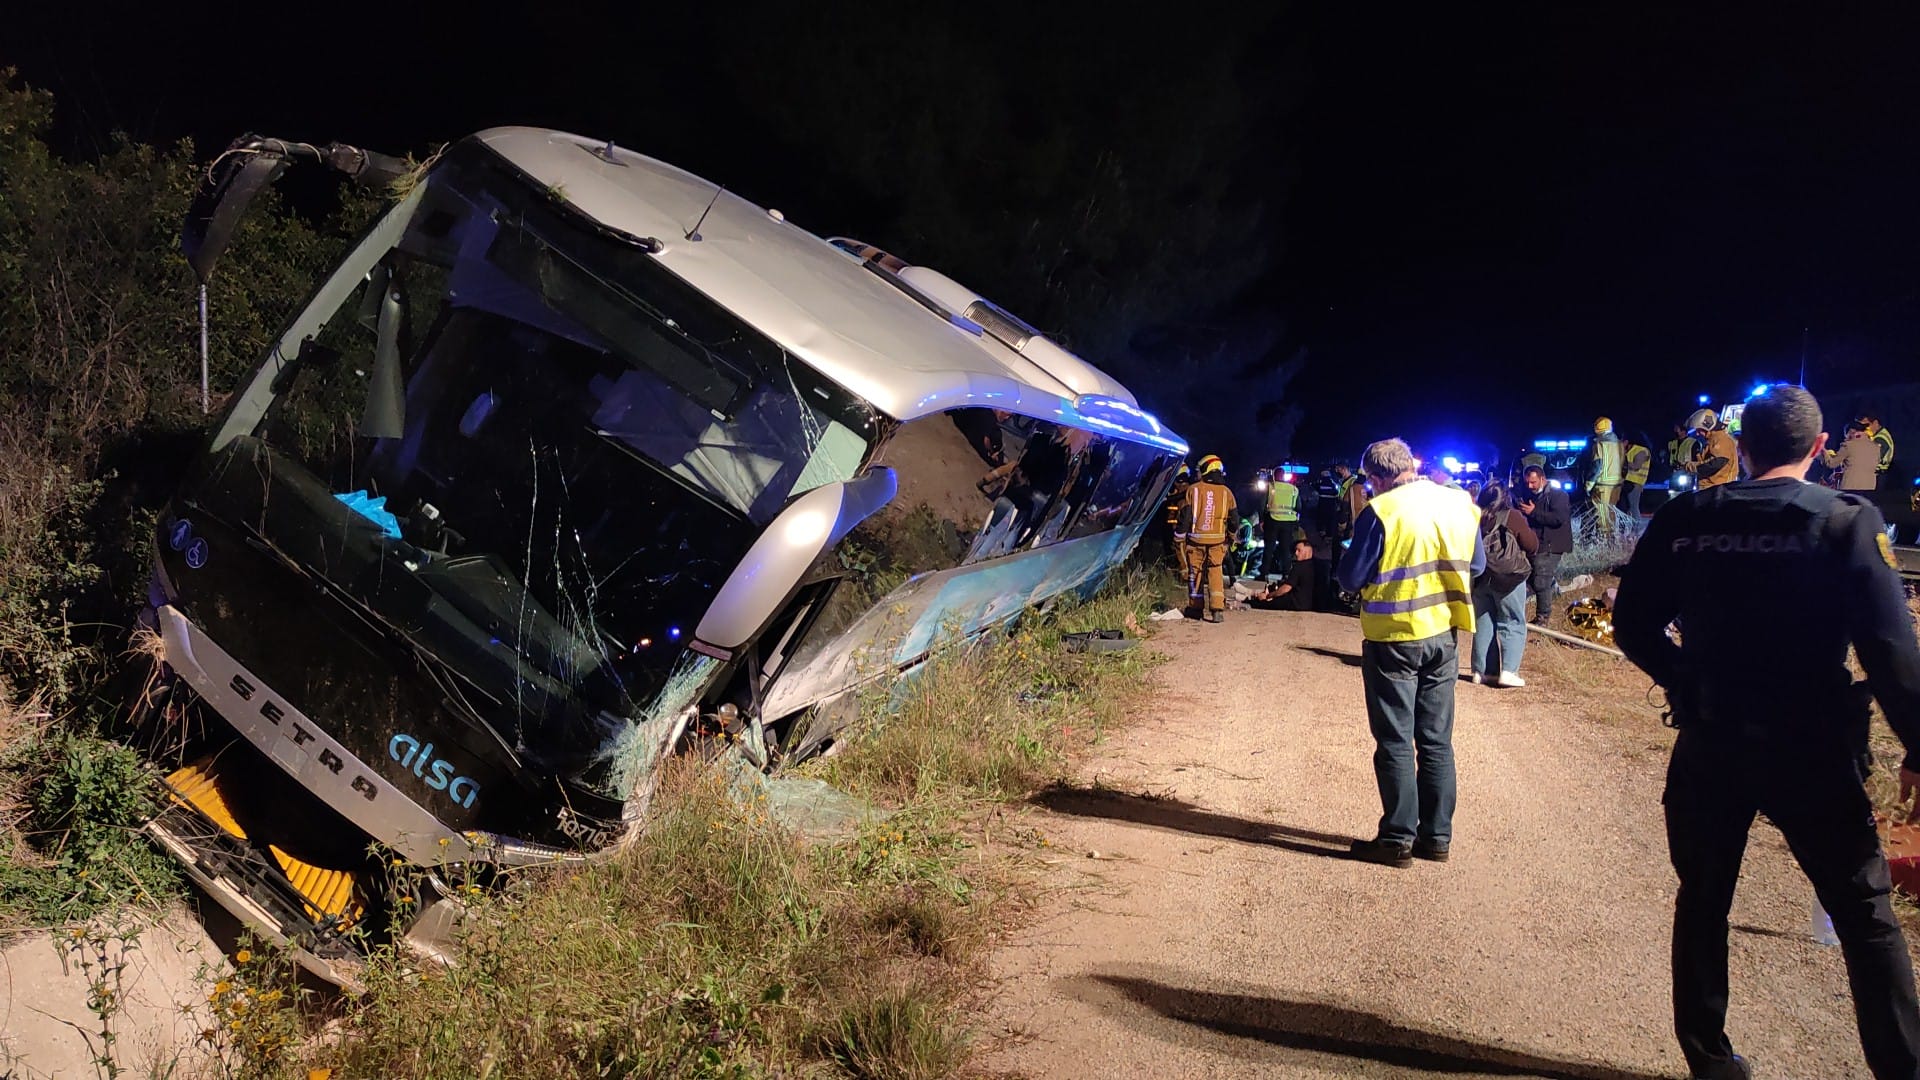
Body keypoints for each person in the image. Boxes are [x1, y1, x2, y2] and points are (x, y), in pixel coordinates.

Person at [1614, 384, 1920, 1080]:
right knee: (1865, 912)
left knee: (1704, 899)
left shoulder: (1688, 517)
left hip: (1712, 738)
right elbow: (1891, 652)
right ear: (1819, 449)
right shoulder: (1845, 519)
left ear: (1741, 448)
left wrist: (1684, 677)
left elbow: (1633, 623)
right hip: (1810, 746)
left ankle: (1710, 1058)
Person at [1336, 438, 1485, 867]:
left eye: (1369, 481)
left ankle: (1397, 839)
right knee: (1437, 741)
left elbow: (1350, 577)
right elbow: (1475, 567)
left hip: (1395, 637)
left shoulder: (1381, 511)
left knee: (1396, 741)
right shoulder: (1459, 503)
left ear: (1377, 478)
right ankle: (1436, 838)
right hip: (1445, 635)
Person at [1468, 483, 1538, 687]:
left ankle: (1482, 671)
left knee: (1484, 622)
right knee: (1512, 621)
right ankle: (1509, 670)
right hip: (1509, 579)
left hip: (1481, 578)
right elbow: (1531, 544)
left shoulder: (1474, 517)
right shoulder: (1512, 516)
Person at [1179, 455, 1237, 623]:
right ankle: (1217, 609)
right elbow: (1234, 519)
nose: (1197, 473)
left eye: (1199, 470)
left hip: (1196, 540)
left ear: (1206, 470)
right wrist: (1231, 537)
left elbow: (1186, 516)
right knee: (1215, 572)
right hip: (1218, 541)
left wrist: (1179, 536)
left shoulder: (1193, 490)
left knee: (1195, 573)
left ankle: (1196, 608)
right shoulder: (1227, 493)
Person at [1515, 464, 1571, 626]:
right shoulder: (1527, 495)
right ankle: (1551, 589)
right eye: (1527, 483)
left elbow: (1558, 519)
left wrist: (1533, 513)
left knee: (1541, 579)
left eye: (1533, 482)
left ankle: (1543, 617)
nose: (1530, 486)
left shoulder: (1558, 496)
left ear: (1542, 479)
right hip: (1537, 543)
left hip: (1553, 544)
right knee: (1534, 577)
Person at [1683, 408, 1739, 490]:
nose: (1698, 433)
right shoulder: (1712, 440)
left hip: (1718, 491)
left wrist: (1690, 466)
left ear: (1707, 426)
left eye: (1699, 430)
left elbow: (1714, 464)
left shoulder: (1722, 440)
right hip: (1711, 490)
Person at [1586, 417, 1625, 534]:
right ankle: (1612, 540)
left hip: (1603, 484)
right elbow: (1624, 464)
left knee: (1602, 515)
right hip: (1617, 484)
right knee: (1612, 512)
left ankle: (1604, 541)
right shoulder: (1619, 444)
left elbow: (1597, 465)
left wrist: (1588, 484)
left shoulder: (1599, 444)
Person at [1262, 467, 1302, 580]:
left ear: (1274, 476)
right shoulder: (1293, 489)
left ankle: (1264, 574)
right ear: (1284, 476)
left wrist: (1262, 519)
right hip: (1288, 522)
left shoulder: (1270, 487)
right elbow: (1299, 507)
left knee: (1269, 548)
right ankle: (1286, 574)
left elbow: (1262, 504)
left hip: (1272, 520)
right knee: (1286, 549)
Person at [1823, 422, 1880, 492]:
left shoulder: (1848, 445)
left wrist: (1823, 450)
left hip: (1850, 488)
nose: (1845, 438)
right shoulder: (1876, 447)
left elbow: (1831, 464)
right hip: (1870, 487)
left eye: (1846, 435)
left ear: (1851, 432)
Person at [1621, 436, 1653, 525]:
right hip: (1626, 482)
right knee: (1626, 507)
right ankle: (1629, 528)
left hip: (1635, 484)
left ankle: (1635, 529)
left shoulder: (1642, 451)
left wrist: (1622, 461)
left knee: (1633, 507)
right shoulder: (1628, 451)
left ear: (1626, 442)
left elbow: (1636, 466)